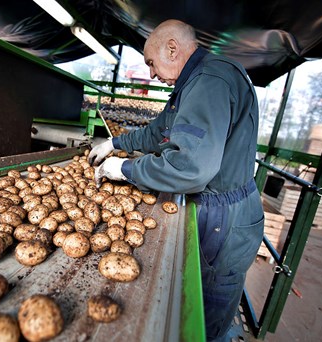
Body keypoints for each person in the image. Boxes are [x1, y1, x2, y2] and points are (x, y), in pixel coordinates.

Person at [89, 19, 264, 341]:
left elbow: (191, 168)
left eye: (151, 63)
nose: (152, 73)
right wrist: (115, 144)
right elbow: (160, 131)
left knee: (205, 308)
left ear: (172, 48)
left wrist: (125, 170)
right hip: (216, 205)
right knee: (195, 293)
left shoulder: (210, 81)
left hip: (223, 215)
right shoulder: (194, 82)